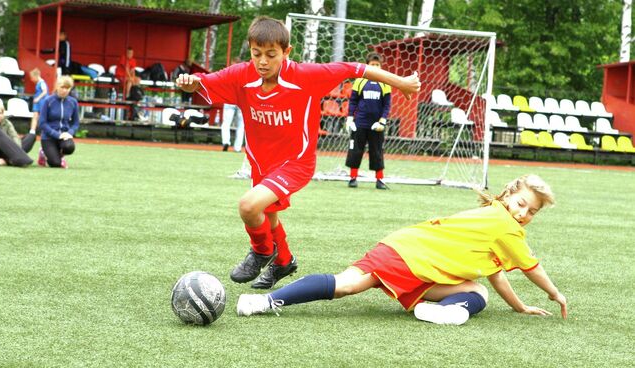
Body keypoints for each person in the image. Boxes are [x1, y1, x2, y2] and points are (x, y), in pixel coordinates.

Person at [176, 16, 420, 290]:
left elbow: (356, 68)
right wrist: (191, 82)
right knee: (267, 215)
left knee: (248, 206)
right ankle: (284, 261)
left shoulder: (305, 76)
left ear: (286, 52)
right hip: (262, 164)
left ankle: (261, 251)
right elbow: (205, 81)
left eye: (271, 54)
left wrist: (400, 82)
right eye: (257, 54)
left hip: (296, 163)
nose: (263, 62)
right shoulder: (242, 76)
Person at [236, 174, 568, 326]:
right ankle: (263, 301)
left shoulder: (496, 221)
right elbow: (531, 268)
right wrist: (555, 293)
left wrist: (521, 307)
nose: (524, 213)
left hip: (413, 259)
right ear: (509, 194)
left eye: (532, 211)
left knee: (477, 290)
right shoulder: (505, 225)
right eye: (522, 204)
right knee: (346, 285)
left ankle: (440, 312)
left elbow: (497, 276)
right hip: (407, 254)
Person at [344, 52, 392, 190]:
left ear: (381, 66)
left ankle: (380, 180)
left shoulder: (385, 83)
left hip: (376, 125)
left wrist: (382, 121)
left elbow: (387, 104)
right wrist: (350, 118)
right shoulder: (360, 81)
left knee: (377, 151)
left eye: (378, 65)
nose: (375, 67)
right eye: (372, 65)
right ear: (367, 65)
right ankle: (353, 178)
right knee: (355, 151)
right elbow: (353, 101)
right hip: (360, 123)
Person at [38, 76, 79, 169]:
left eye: (67, 88)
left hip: (64, 136)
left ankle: (60, 155)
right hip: (48, 137)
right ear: (57, 87)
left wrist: (69, 133)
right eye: (62, 87)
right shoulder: (48, 101)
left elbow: (75, 123)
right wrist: (57, 135)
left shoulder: (73, 102)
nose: (64, 90)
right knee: (55, 164)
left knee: (69, 147)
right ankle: (43, 153)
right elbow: (42, 123)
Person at [220, 57, 245, 152]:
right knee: (241, 125)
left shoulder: (229, 73)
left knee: (226, 123)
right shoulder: (244, 74)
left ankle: (226, 141)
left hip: (229, 100)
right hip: (241, 101)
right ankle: (237, 147)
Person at [29, 68, 48, 134]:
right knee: (35, 116)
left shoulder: (42, 83)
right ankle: (32, 131)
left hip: (41, 102)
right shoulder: (39, 83)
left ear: (36, 76)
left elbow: (45, 91)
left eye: (32, 77)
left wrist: (38, 98)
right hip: (38, 103)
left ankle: (43, 131)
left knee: (42, 116)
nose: (31, 79)